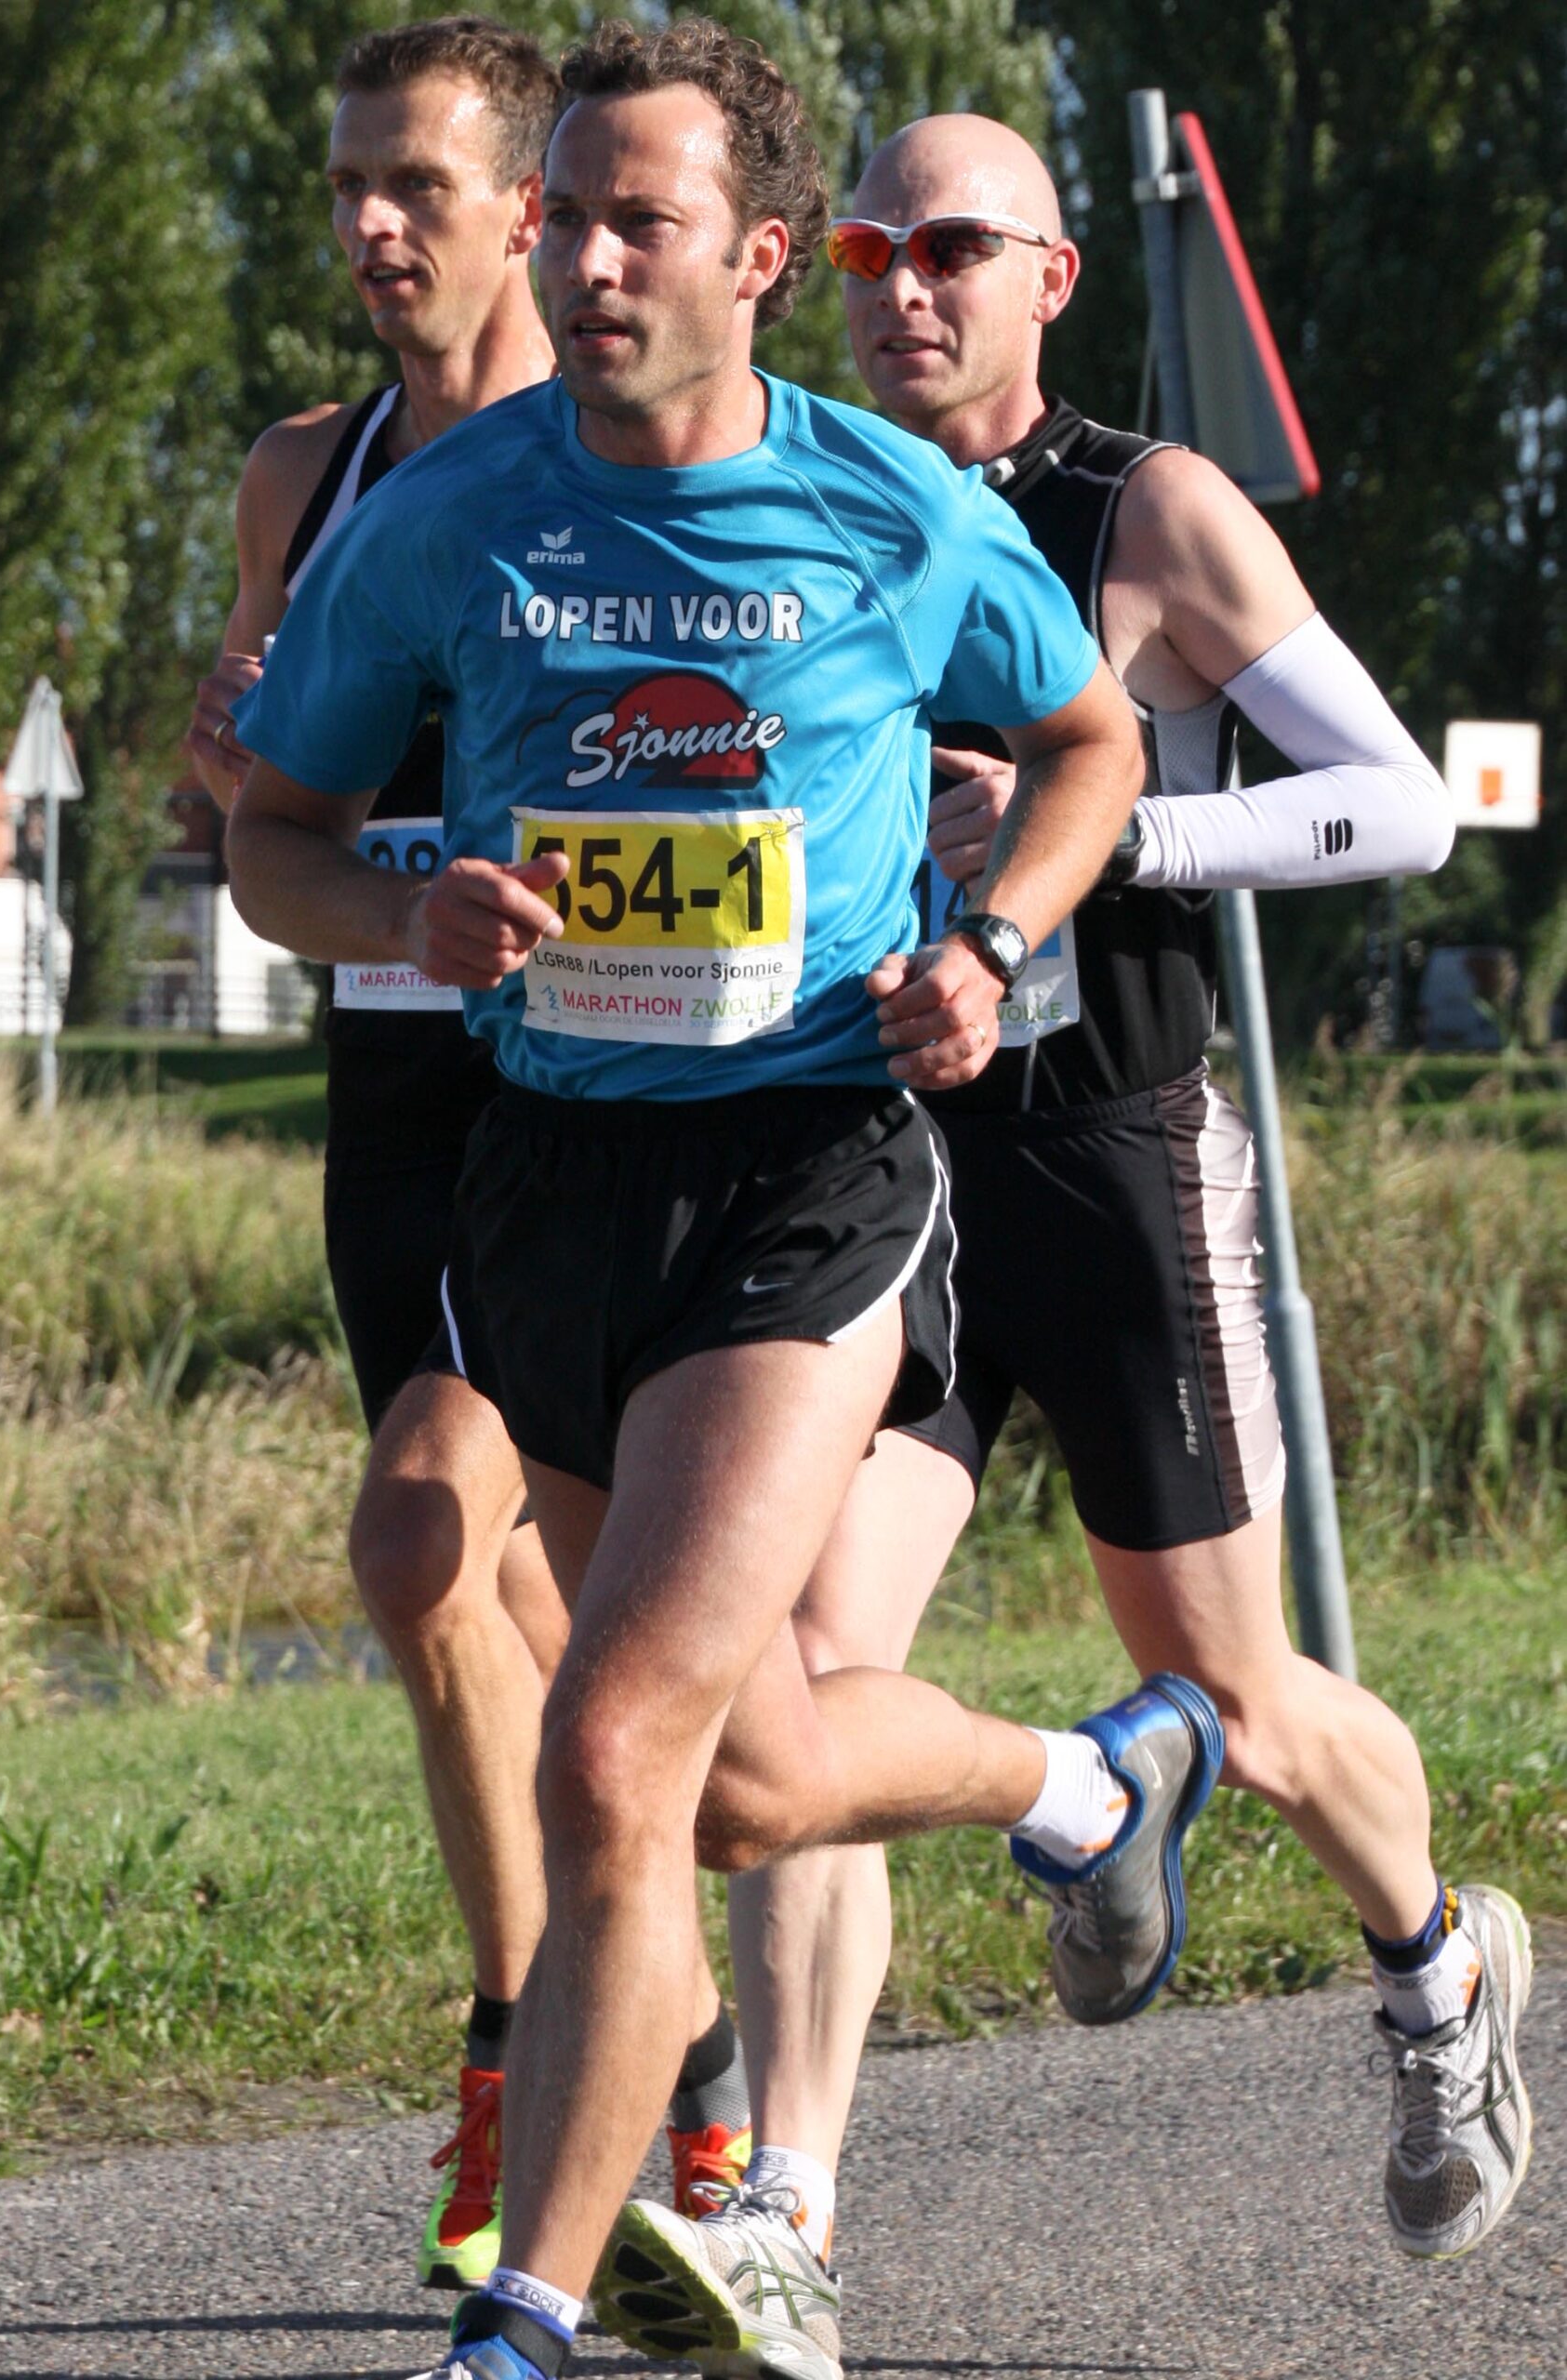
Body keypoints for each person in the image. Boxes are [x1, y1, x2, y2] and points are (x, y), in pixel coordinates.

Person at [223, 23, 1225, 2380]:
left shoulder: (886, 506)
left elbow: (1086, 737)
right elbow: (270, 838)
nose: (580, 261)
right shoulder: (443, 519)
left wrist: (992, 940)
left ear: (758, 258)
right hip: (548, 1176)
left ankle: (524, 2318)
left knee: (608, 1749)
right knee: (745, 1775)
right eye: (562, 215)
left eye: (634, 223)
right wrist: (403, 918)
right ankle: (1086, 1772)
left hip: (810, 1165)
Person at [590, 111, 1534, 2380]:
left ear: (1051, 277)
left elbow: (1397, 802)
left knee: (1239, 1692)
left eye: (951, 248)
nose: (902, 289)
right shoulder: (806, 495)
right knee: (799, 1683)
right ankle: (792, 2208)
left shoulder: (1149, 508)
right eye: (866, 254)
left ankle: (1436, 1967)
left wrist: (1107, 839)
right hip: (872, 1165)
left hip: (1109, 1152)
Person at [184, 14, 750, 2292]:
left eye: (412, 184)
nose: (368, 226)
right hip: (390, 1093)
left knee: (422, 1530)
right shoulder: (301, 474)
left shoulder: (603, 453)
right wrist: (239, 768)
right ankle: (674, 2054)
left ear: (529, 209)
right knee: (502, 1600)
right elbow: (258, 799)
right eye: (346, 186)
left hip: (580, 1084)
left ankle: (527, 2057)